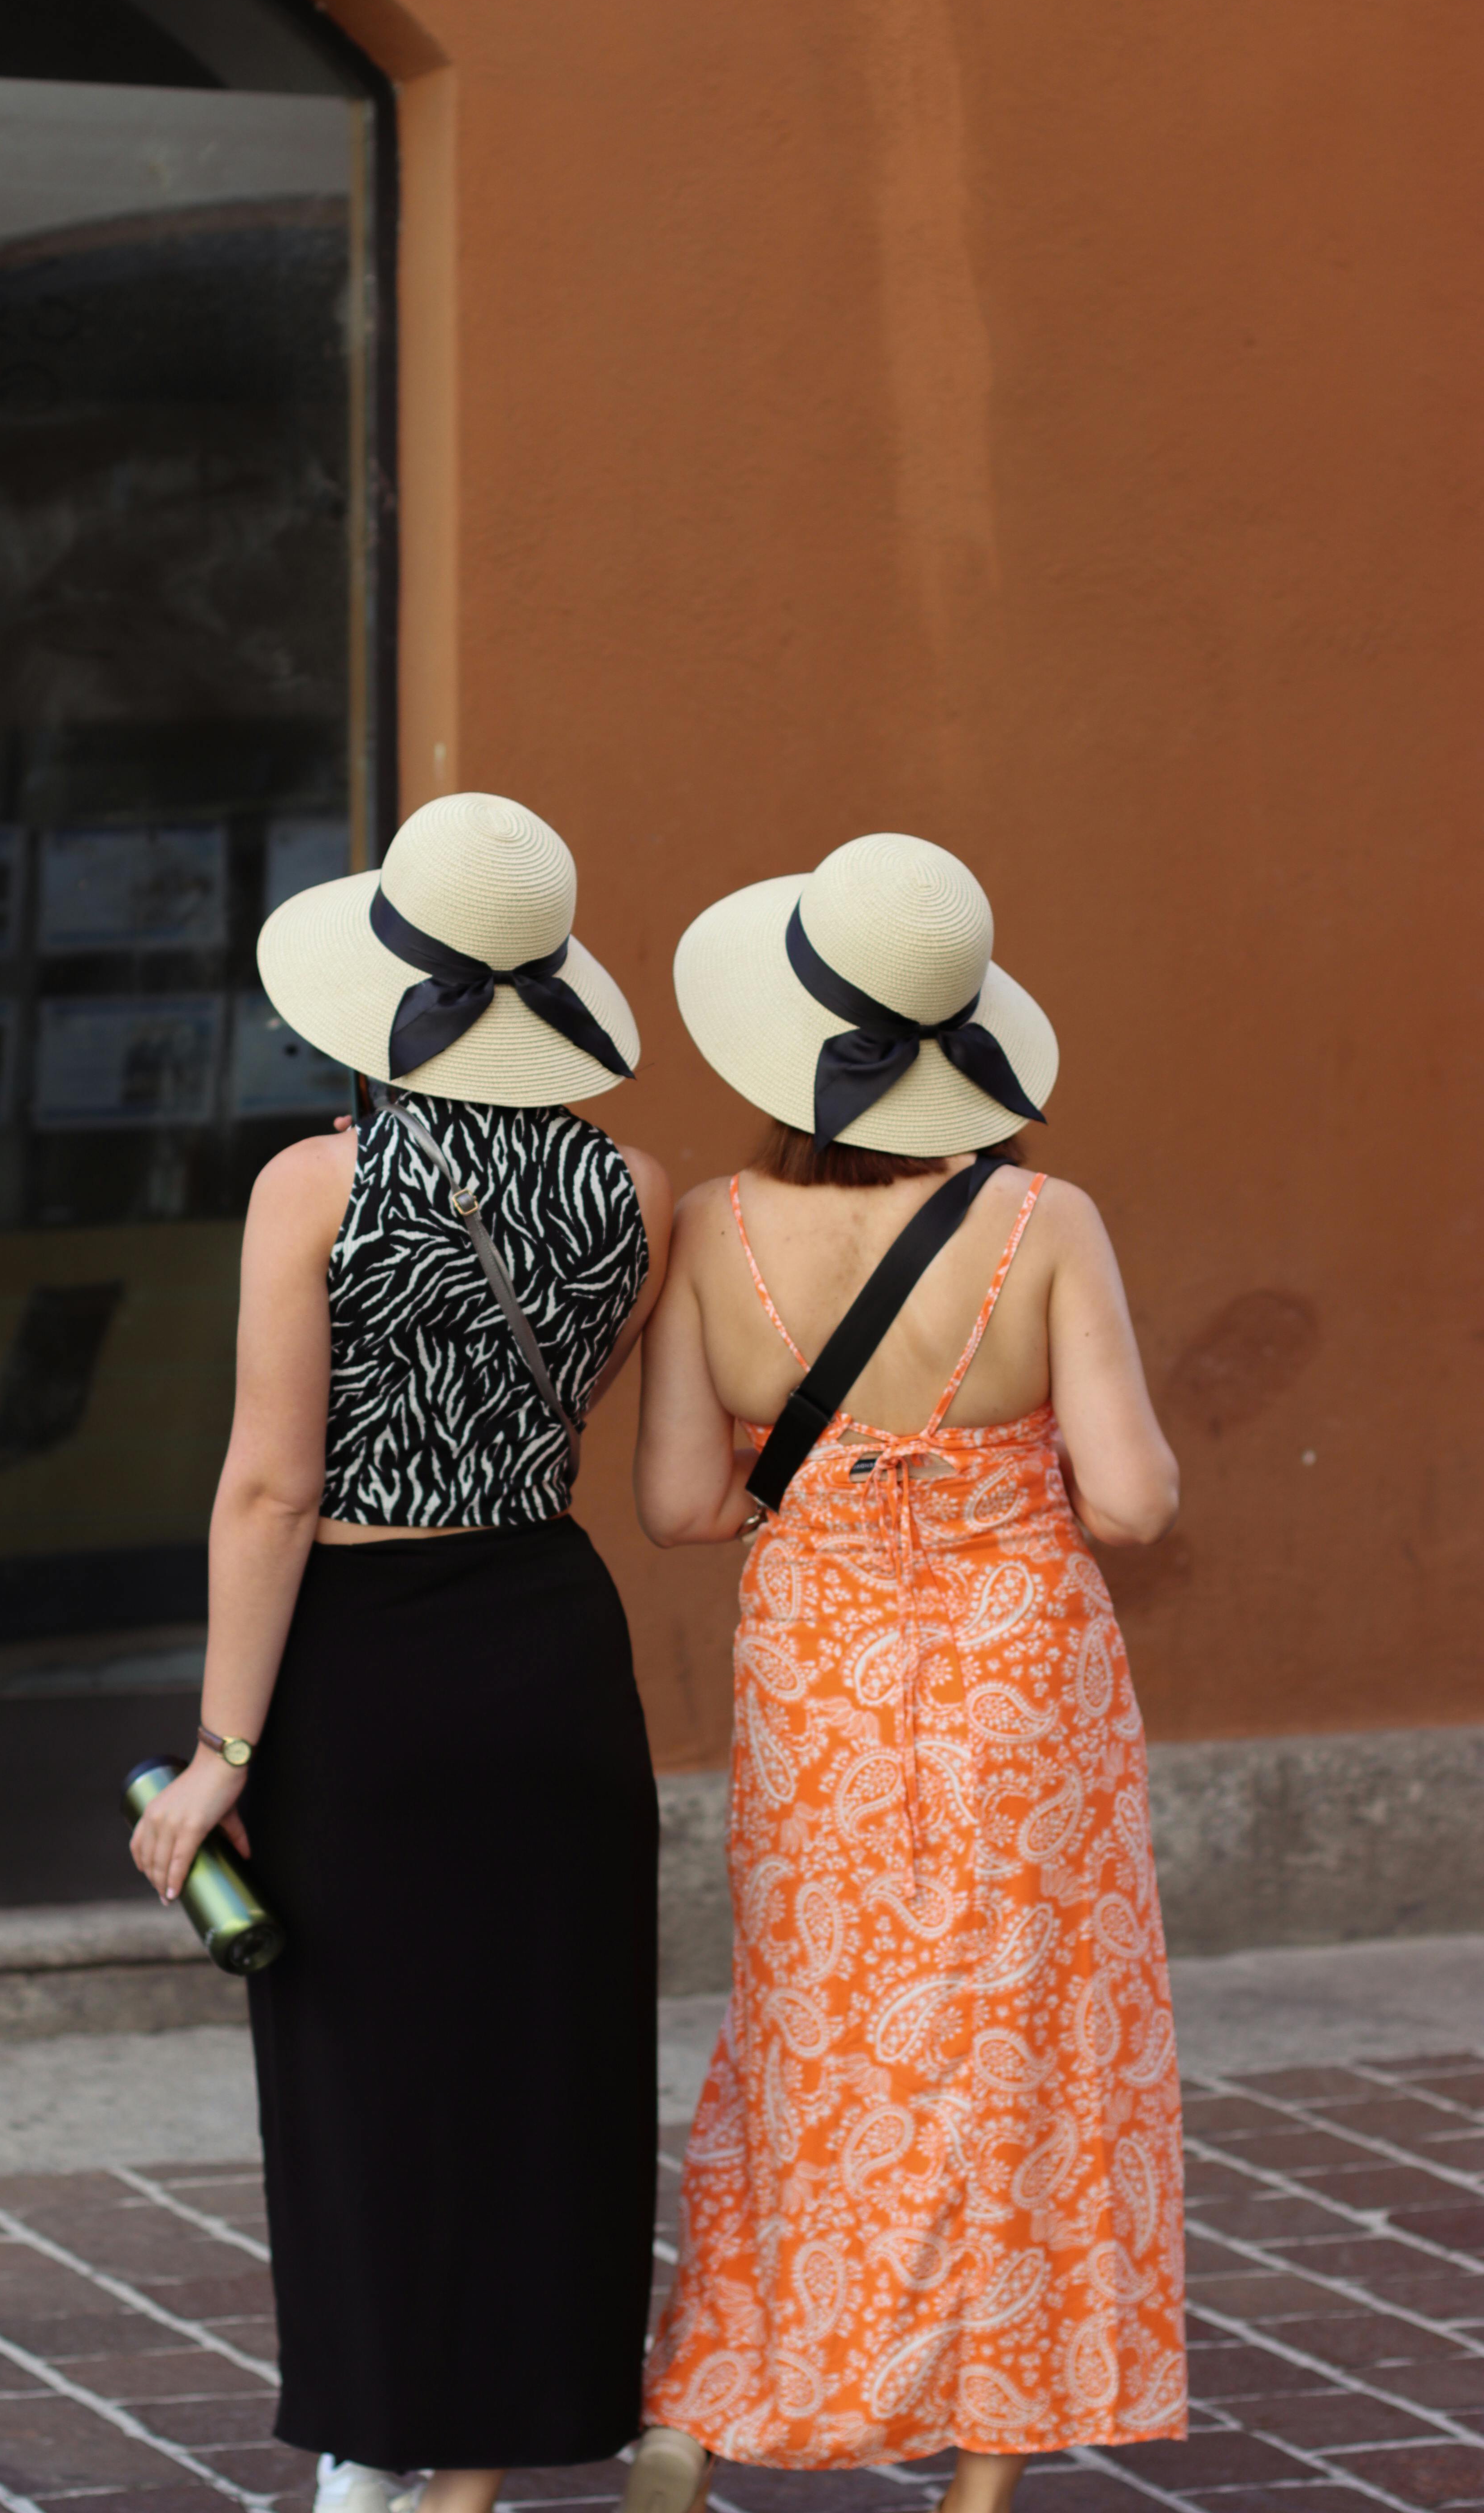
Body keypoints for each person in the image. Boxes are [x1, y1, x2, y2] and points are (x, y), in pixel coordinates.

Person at [623, 833, 1184, 2513]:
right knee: (1025, 2047)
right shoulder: (1043, 1218)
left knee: (814, 2032)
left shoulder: (717, 1227)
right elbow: (1142, 1502)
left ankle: (710, 2401)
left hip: (821, 1677)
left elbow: (673, 1506)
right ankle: (984, 2474)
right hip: (1025, 1672)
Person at [130, 793, 671, 2513]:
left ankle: (377, 2442)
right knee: (547, 2063)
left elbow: (273, 1488)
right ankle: (504, 2441)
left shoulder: (318, 1183)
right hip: (553, 1645)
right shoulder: (642, 1189)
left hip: (367, 1668)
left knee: (362, 2068)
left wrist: (223, 1748)